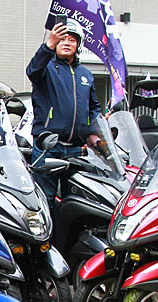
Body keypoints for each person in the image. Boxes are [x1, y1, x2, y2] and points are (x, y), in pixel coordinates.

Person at [25, 19, 104, 204]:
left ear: (78, 45)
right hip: (48, 147)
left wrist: (94, 133)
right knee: (45, 200)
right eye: (62, 39)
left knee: (76, 199)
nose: (67, 43)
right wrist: (48, 45)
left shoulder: (86, 74)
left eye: (72, 40)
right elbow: (32, 71)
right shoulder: (46, 68)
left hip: (76, 149)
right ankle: (47, 234)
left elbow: (94, 108)